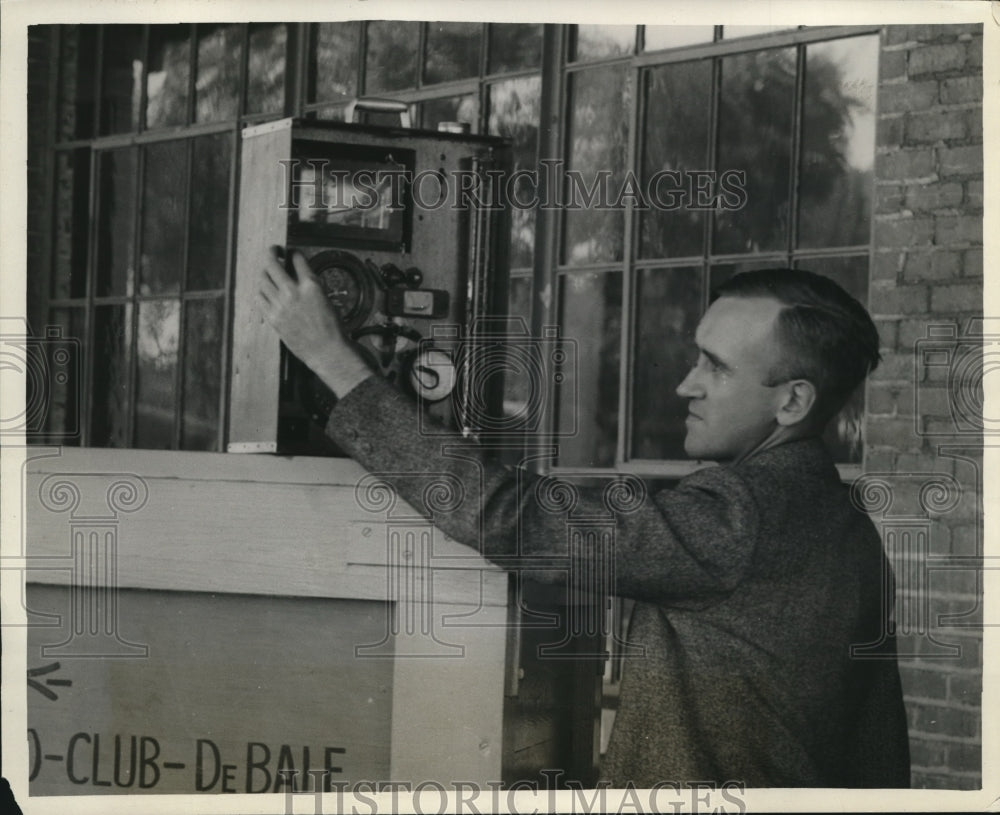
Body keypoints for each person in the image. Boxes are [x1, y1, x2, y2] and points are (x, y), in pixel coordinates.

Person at [258, 248, 911, 788]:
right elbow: (880, 754)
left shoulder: (736, 517)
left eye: (715, 366)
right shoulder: (850, 526)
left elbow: (510, 517)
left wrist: (331, 358)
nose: (687, 384)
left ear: (793, 400)